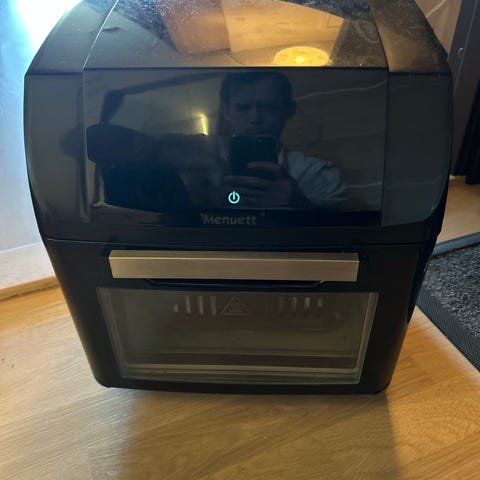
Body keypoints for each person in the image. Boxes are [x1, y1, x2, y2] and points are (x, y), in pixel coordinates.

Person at [216, 71, 346, 208]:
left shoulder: (317, 173)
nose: (255, 119)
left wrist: (299, 203)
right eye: (242, 108)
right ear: (225, 111)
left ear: (289, 110)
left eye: (269, 107)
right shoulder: (205, 165)